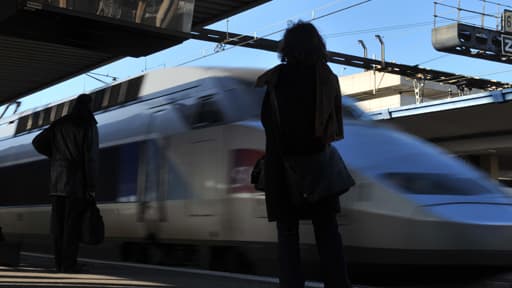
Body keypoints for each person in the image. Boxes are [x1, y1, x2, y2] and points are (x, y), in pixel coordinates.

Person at [256, 21, 351, 288]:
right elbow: (334, 129)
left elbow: (268, 125)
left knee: (288, 237)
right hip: (318, 166)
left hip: (283, 168)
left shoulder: (275, 80)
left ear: (286, 48)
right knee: (328, 235)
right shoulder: (327, 78)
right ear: (318, 46)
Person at [32, 93, 99, 273]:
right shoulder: (89, 124)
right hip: (77, 184)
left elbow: (37, 142)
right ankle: (69, 264)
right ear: (89, 106)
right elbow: (90, 157)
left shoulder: (60, 123)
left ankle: (59, 263)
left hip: (57, 183)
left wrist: (56, 157)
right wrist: (91, 186)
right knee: (72, 226)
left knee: (58, 225)